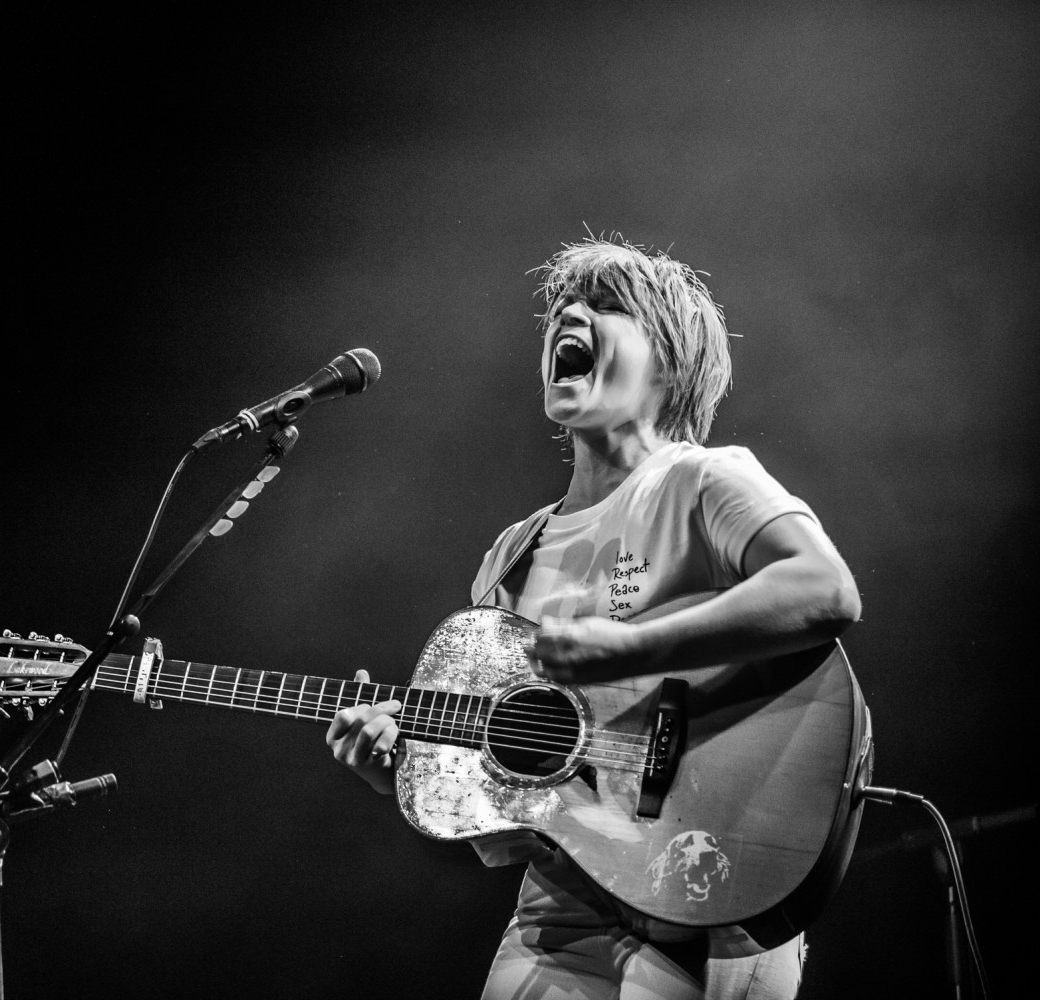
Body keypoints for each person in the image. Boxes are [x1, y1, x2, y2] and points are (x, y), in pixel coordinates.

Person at [325, 237, 860, 1000]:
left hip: (709, 888)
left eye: (608, 308)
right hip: (559, 913)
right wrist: (405, 770)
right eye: (564, 308)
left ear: (669, 364)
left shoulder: (701, 480)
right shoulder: (514, 553)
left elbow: (825, 589)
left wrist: (630, 648)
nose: (570, 313)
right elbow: (516, 805)